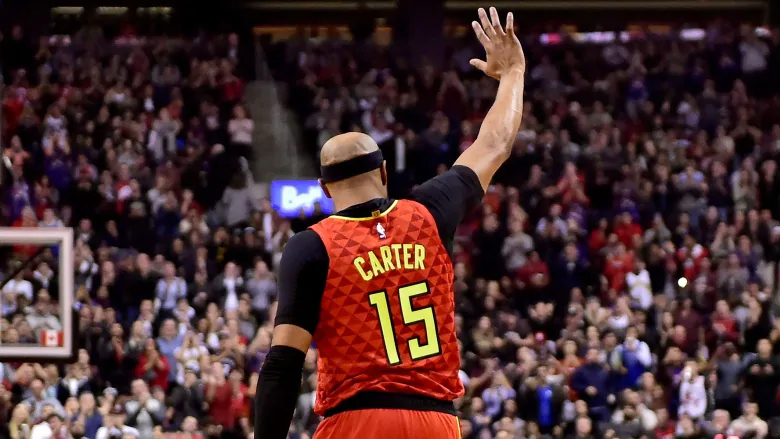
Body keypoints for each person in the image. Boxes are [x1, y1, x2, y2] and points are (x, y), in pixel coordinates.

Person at [253, 6, 526, 439]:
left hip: (356, 420)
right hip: (436, 420)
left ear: (325, 189)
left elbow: (284, 363)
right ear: (383, 172)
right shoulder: (429, 211)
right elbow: (495, 144)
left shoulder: (311, 245)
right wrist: (512, 73)